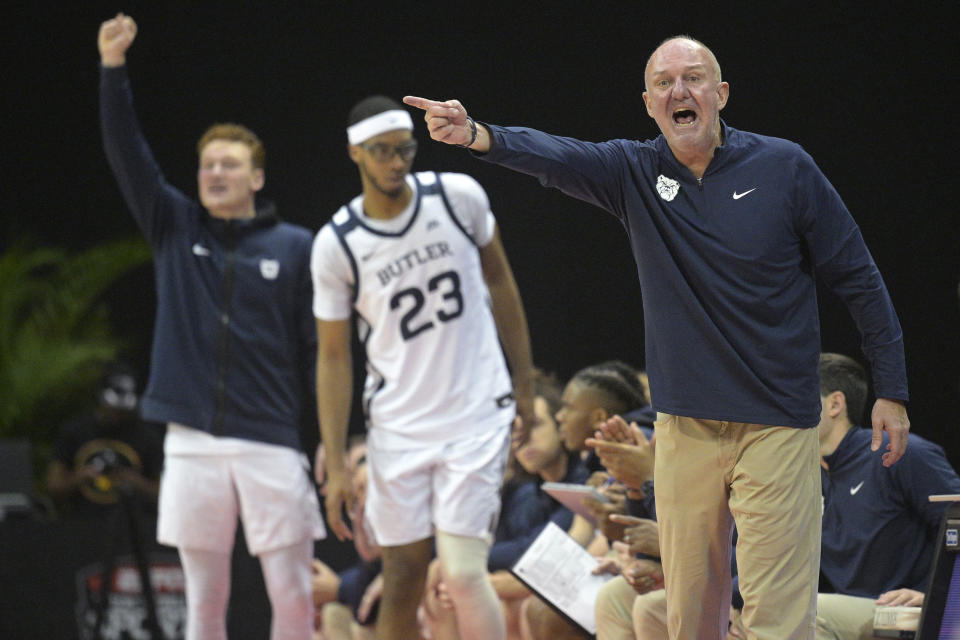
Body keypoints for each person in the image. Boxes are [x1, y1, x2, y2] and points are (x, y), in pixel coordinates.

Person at [404, 34, 910, 640]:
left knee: (777, 620)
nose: (680, 91)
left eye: (693, 78)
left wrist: (891, 388)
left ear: (720, 94)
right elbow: (557, 155)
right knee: (689, 620)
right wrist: (476, 134)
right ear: (648, 104)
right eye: (665, 83)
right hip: (684, 430)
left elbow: (859, 278)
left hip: (777, 425)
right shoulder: (635, 171)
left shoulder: (785, 168)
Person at [98, 14, 324, 640]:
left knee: (294, 597)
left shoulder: (298, 246)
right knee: (203, 605)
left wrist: (329, 434)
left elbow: (318, 348)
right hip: (192, 439)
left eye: (229, 165)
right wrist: (112, 69)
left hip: (271, 440)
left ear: (256, 176)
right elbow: (127, 152)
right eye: (206, 166)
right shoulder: (175, 227)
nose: (215, 174)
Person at [312, 95, 535, 640]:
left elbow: (501, 284)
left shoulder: (457, 197)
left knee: (460, 571)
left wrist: (524, 384)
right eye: (382, 151)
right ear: (355, 153)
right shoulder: (337, 244)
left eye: (404, 149)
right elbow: (335, 356)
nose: (396, 161)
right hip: (399, 428)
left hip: (474, 412)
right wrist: (338, 460)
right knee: (403, 573)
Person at [46, 364, 164, 516]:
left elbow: (165, 495)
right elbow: (53, 487)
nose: (118, 416)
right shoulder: (75, 431)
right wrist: (80, 477)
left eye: (123, 412)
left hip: (132, 527)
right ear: (100, 399)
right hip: (81, 525)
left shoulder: (147, 437)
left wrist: (136, 482)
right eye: (113, 410)